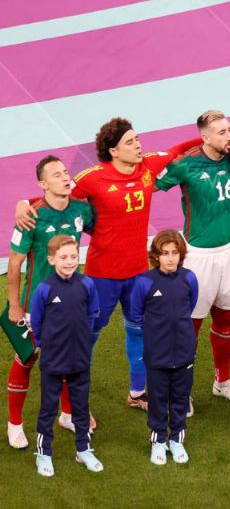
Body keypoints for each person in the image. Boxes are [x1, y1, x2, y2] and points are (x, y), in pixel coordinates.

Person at [13, 119, 220, 408]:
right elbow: (56, 197)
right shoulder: (92, 178)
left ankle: (137, 394)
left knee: (139, 330)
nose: (138, 146)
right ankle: (71, 404)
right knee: (87, 337)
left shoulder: (147, 165)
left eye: (137, 139)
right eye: (130, 142)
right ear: (113, 151)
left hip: (138, 273)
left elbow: (177, 150)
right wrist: (24, 201)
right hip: (102, 277)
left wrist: (219, 140)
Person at [156, 110, 230, 408]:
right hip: (198, 257)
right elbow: (150, 183)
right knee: (191, 324)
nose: (229, 136)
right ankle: (181, 391)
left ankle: (221, 382)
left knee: (226, 319)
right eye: (222, 132)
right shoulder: (185, 165)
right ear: (205, 137)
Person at [4, 156, 94, 448]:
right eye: (56, 175)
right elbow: (15, 263)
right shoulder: (31, 216)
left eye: (66, 172)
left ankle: (67, 414)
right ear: (43, 184)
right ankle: (14, 424)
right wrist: (15, 305)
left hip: (70, 301)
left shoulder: (82, 210)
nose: (65, 177)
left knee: (68, 357)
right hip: (36, 305)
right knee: (28, 358)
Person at [30, 235, 102, 476]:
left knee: (81, 406)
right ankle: (43, 454)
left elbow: (92, 312)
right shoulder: (45, 289)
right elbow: (37, 323)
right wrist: (46, 344)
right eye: (63, 257)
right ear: (51, 260)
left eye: (73, 256)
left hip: (80, 357)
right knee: (49, 407)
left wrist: (81, 336)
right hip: (53, 360)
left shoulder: (86, 284)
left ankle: (83, 449)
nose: (69, 262)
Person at [129, 230, 199, 465]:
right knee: (158, 399)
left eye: (174, 253)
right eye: (165, 253)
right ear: (156, 256)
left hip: (184, 351)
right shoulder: (144, 282)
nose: (170, 258)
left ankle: (177, 439)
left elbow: (190, 306)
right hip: (156, 353)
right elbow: (136, 314)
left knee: (180, 397)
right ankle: (158, 440)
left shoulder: (189, 278)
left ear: (181, 255)